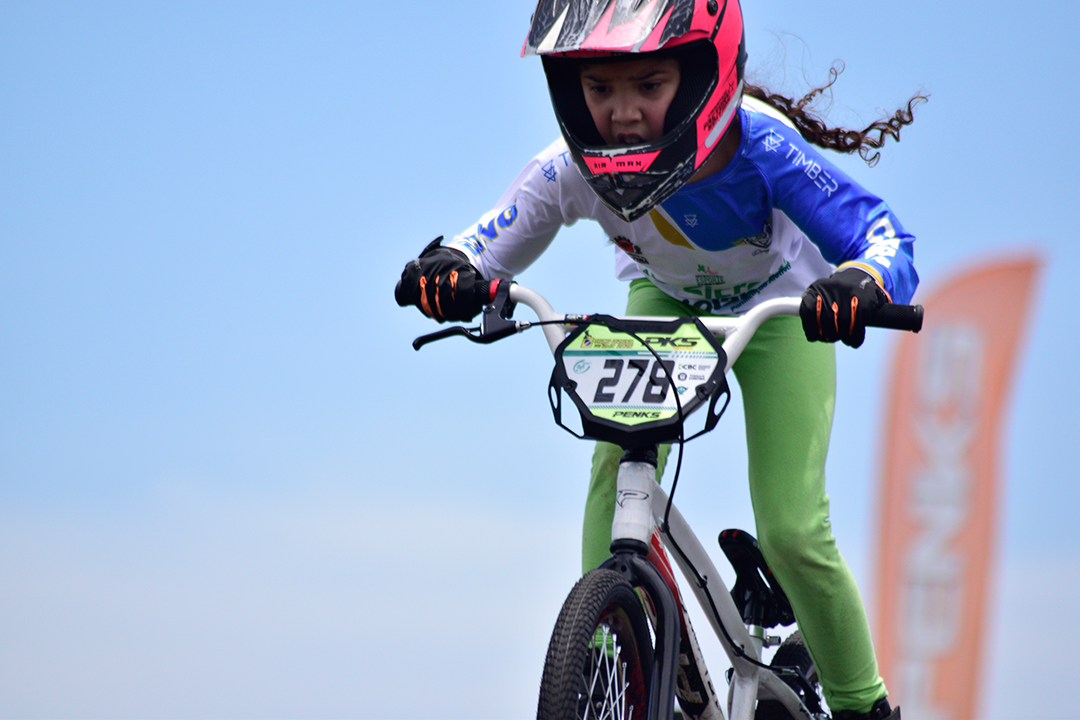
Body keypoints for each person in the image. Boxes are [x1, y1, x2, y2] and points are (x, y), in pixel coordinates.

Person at [395, 1, 925, 718]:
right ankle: (602, 668)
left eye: (649, 85)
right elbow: (482, 243)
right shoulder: (570, 168)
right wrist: (449, 270)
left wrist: (863, 280)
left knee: (793, 529)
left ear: (703, 76)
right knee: (614, 469)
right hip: (666, 302)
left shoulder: (762, 147)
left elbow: (883, 236)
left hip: (780, 311)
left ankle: (863, 705)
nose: (622, 113)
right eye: (600, 88)